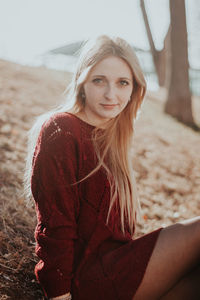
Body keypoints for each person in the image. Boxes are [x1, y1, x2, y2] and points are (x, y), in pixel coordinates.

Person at [25, 35, 200, 300]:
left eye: (122, 83)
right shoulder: (61, 129)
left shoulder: (113, 139)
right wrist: (60, 295)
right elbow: (55, 226)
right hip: (88, 281)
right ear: (82, 82)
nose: (111, 94)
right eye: (99, 80)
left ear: (134, 89)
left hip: (117, 268)